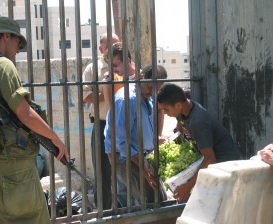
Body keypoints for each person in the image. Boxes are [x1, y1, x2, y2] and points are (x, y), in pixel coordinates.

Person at [0, 16, 69, 223]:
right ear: (6, 36)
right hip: (13, 166)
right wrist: (54, 139)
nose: (18, 49)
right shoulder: (1, 65)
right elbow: (24, 114)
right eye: (18, 42)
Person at [157, 83, 242, 203]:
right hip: (214, 162)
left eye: (166, 109)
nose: (165, 113)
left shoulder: (198, 121)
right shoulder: (183, 111)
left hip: (226, 164)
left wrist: (186, 187)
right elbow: (180, 128)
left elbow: (209, 159)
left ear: (178, 105)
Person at [104, 65, 168, 207]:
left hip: (136, 154)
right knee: (154, 200)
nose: (153, 92)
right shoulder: (128, 99)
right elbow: (121, 142)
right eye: (151, 88)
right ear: (140, 77)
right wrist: (144, 168)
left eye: (157, 89)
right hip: (125, 156)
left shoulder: (144, 95)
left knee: (146, 200)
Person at [82, 32, 119, 209]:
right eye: (109, 46)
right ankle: (103, 211)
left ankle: (127, 207)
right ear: (100, 48)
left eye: (116, 45)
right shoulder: (92, 69)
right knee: (102, 171)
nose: (113, 50)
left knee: (126, 169)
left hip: (124, 124)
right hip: (102, 123)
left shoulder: (127, 66)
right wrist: (109, 93)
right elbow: (86, 96)